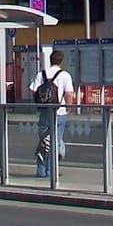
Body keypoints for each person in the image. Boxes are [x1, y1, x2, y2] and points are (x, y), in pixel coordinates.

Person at [28, 49, 76, 178]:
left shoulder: (41, 74)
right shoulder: (65, 75)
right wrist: (68, 108)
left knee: (44, 141)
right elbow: (69, 93)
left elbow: (33, 90)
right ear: (61, 61)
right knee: (56, 142)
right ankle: (51, 171)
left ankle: (41, 170)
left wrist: (39, 103)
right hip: (59, 112)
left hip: (44, 112)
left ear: (50, 60)